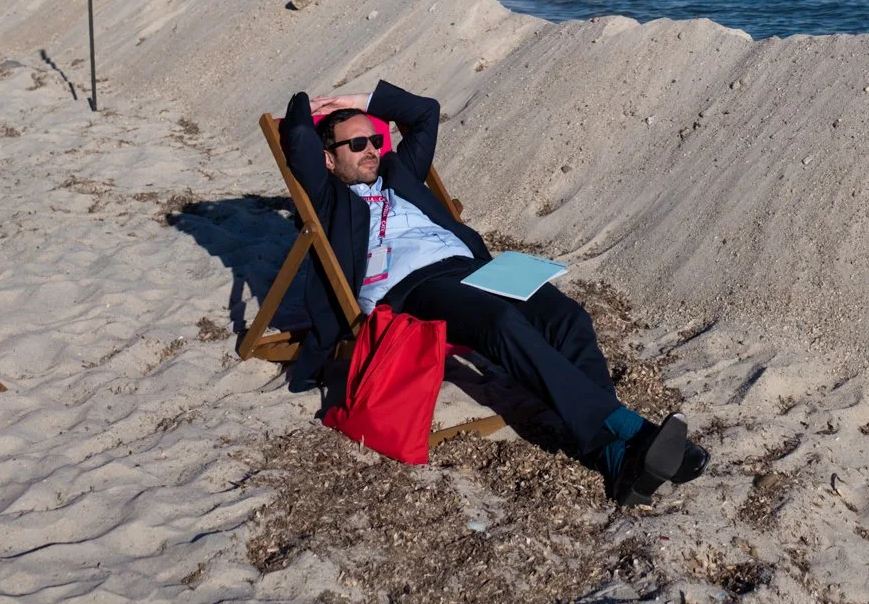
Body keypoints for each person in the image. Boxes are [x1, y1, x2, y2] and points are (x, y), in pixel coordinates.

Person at [281, 76, 709, 505]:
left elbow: (425, 111)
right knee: (500, 323)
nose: (372, 150)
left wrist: (362, 101)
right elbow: (297, 133)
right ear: (329, 160)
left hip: (473, 268)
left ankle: (614, 457)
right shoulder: (329, 196)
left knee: (568, 318)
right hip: (413, 288)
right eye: (356, 145)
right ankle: (636, 430)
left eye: (375, 139)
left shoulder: (399, 174)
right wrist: (313, 104)